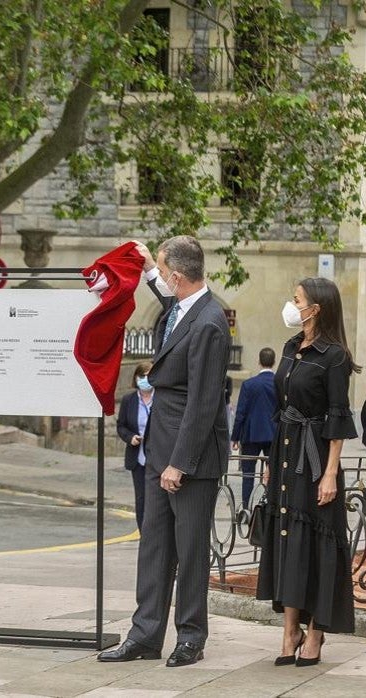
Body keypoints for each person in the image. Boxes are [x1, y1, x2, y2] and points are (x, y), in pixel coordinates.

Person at [99, 236, 229, 668]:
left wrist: (180, 462)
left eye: (162, 272)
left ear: (179, 275)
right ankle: (145, 634)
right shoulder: (182, 304)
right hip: (159, 449)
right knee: (154, 545)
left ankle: (191, 637)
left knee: (189, 551)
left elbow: (204, 401)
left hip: (188, 457)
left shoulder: (210, 322)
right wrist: (144, 266)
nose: (161, 280)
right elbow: (166, 292)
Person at [254, 277, 358, 667]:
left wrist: (330, 473)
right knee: (286, 542)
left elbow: (337, 417)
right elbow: (281, 410)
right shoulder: (289, 347)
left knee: (315, 545)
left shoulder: (335, 356)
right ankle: (289, 631)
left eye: (296, 299)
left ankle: (315, 633)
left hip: (315, 460)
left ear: (316, 309)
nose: (290, 304)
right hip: (284, 452)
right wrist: (268, 461)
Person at [231, 348, 278, 509]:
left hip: (251, 435)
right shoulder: (280, 384)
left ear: (259, 361)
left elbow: (241, 412)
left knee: (248, 474)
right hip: (273, 435)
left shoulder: (249, 384)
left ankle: (246, 507)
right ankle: (272, 507)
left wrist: (235, 437)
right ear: (274, 362)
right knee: (273, 474)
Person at [116, 361, 154, 530]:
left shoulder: (161, 399)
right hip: (137, 458)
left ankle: (156, 534)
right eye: (142, 375)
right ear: (135, 378)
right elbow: (121, 426)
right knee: (141, 498)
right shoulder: (128, 400)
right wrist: (130, 437)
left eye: (149, 375)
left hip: (156, 456)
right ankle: (143, 533)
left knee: (157, 498)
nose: (145, 379)